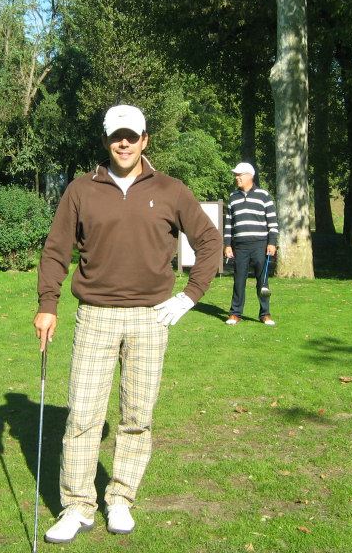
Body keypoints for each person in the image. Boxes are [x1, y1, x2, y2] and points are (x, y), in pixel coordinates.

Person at [34, 104, 222, 543]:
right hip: (95, 316)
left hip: (150, 319)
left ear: (145, 140)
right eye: (117, 136)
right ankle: (77, 506)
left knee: (137, 416)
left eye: (132, 136)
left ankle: (120, 498)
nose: (124, 143)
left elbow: (210, 241)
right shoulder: (81, 190)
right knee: (83, 414)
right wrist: (48, 304)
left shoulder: (171, 189)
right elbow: (56, 249)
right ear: (106, 140)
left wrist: (190, 296)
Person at [223, 162, 279, 326]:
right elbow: (228, 224)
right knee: (239, 280)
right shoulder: (233, 197)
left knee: (262, 281)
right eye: (236, 175)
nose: (236, 177)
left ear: (249, 176)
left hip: (260, 245)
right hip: (240, 246)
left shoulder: (264, 195)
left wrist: (272, 243)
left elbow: (273, 223)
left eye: (239, 175)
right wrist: (227, 245)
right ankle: (235, 313)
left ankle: (265, 314)